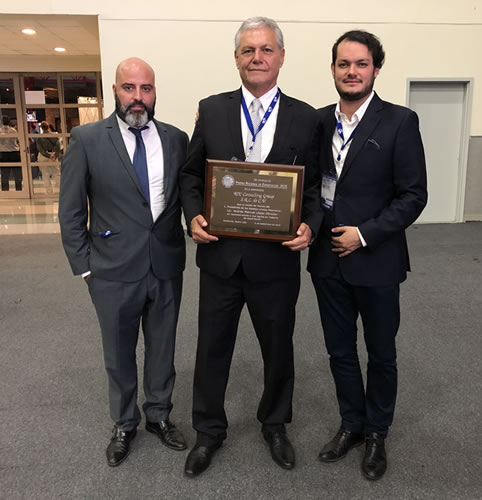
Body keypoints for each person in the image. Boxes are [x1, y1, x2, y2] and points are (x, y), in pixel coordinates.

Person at [179, 16, 321, 477]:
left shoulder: (307, 117)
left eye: (265, 50)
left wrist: (311, 227)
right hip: (220, 258)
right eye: (247, 50)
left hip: (276, 263)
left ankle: (275, 423)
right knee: (211, 348)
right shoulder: (212, 109)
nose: (256, 57)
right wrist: (194, 214)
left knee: (278, 347)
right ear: (236, 58)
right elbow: (190, 175)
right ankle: (208, 431)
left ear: (281, 57)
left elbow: (316, 188)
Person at [307, 30, 427, 480]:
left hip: (375, 260)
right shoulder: (319, 122)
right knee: (339, 351)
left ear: (376, 69)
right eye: (343, 64)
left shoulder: (399, 122)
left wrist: (364, 234)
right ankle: (351, 424)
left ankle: (377, 432)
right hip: (327, 262)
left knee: (381, 353)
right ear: (333, 69)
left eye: (360, 64)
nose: (351, 72)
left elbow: (414, 195)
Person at [59, 57, 189, 467]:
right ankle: (124, 423)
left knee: (163, 347)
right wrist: (84, 266)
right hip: (111, 269)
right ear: (114, 90)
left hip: (165, 264)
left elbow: (188, 194)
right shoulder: (87, 139)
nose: (138, 97)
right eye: (129, 88)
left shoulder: (175, 138)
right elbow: (71, 210)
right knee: (118, 351)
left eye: (146, 89)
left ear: (155, 93)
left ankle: (160, 415)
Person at [37, 121, 61, 194]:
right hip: (53, 154)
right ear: (48, 127)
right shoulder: (54, 136)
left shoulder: (40, 137)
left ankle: (49, 191)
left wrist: (48, 155)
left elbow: (40, 149)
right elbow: (58, 146)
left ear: (41, 128)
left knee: (45, 174)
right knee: (56, 173)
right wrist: (55, 155)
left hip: (43, 156)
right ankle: (60, 189)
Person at [0, 116, 22, 191]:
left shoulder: (0, 130)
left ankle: (5, 191)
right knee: (17, 174)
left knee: (4, 174)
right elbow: (17, 140)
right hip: (14, 153)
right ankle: (19, 189)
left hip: (3, 154)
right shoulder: (13, 130)